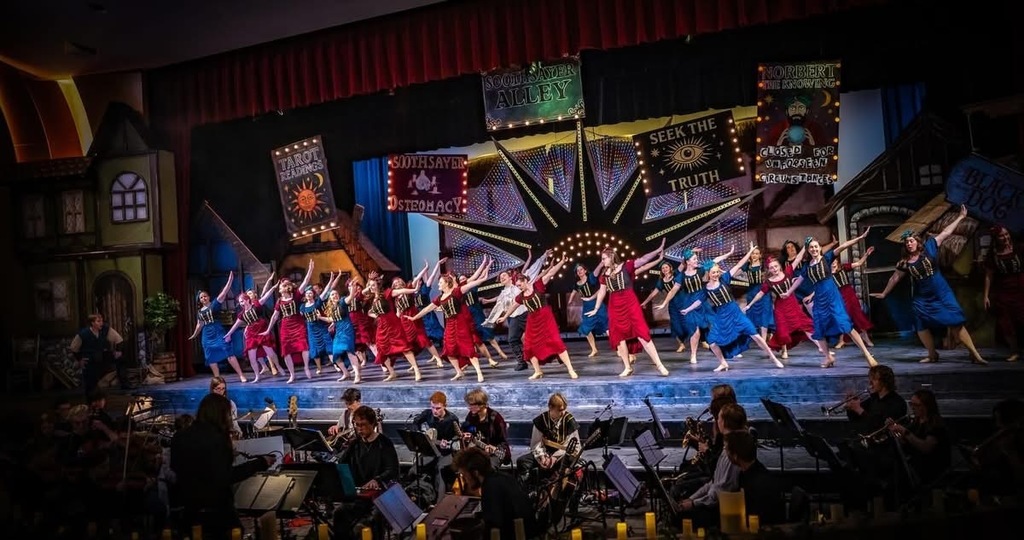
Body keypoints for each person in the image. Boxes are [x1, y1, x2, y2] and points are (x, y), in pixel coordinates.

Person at [871, 205, 987, 364]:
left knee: (954, 321)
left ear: (917, 241)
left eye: (911, 241)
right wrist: (884, 293)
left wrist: (960, 217)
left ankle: (975, 354)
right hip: (923, 297)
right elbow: (895, 278)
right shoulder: (905, 262)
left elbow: (946, 232)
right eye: (906, 243)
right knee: (920, 324)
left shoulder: (930, 247)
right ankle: (932, 354)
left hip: (941, 292)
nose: (909, 244)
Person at [171, 393, 274, 539]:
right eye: (227, 414)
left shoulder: (179, 437)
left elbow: (175, 468)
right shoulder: (217, 439)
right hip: (217, 511)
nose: (229, 418)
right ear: (220, 414)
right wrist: (260, 462)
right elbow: (225, 476)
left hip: (189, 508)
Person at [680, 243, 784, 372]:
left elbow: (739, 265)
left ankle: (774, 358)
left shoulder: (724, 278)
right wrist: (688, 309)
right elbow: (698, 302)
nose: (716, 274)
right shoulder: (705, 288)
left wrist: (749, 251)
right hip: (721, 315)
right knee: (712, 341)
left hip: (734, 312)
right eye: (713, 272)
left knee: (754, 335)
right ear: (708, 273)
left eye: (717, 272)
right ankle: (723, 363)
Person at [586, 239, 670, 377]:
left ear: (612, 257)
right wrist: (596, 308)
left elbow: (643, 260)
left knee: (642, 333)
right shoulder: (604, 275)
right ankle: (627, 367)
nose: (602, 261)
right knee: (619, 337)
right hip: (615, 306)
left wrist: (657, 250)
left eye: (604, 259)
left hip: (630, 303)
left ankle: (659, 365)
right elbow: (602, 292)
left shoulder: (627, 266)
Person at [794, 231, 878, 368]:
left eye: (816, 246)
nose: (814, 249)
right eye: (811, 247)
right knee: (819, 328)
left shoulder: (827, 258)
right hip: (819, 300)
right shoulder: (807, 267)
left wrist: (860, 238)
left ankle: (867, 354)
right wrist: (788, 292)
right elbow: (799, 280)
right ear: (808, 250)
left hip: (832, 297)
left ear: (820, 248)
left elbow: (843, 245)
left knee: (845, 324)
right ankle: (828, 358)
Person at [406, 256, 493, 382]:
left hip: (460, 322)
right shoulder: (440, 298)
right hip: (450, 325)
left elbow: (476, 281)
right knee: (450, 350)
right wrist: (414, 317)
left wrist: (486, 268)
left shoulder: (456, 292)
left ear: (447, 283)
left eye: (440, 282)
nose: (439, 284)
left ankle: (479, 371)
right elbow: (426, 309)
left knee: (467, 348)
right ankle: (459, 372)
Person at [496, 252, 579, 380]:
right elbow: (513, 306)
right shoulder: (521, 296)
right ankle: (537, 371)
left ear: (525, 281)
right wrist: (505, 316)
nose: (519, 287)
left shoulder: (538, 286)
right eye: (517, 286)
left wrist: (562, 262)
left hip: (545, 318)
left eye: (520, 285)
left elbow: (551, 273)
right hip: (533, 321)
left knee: (556, 343)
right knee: (529, 346)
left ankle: (570, 369)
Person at [675, 403, 748, 528]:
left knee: (679, 518)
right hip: (713, 500)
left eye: (718, 418)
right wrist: (692, 499)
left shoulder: (732, 452)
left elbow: (719, 494)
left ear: (724, 423)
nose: (716, 421)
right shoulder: (727, 447)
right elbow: (714, 482)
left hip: (722, 510)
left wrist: (693, 504)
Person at [333, 405, 400, 540]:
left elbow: (392, 470)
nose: (359, 429)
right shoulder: (355, 444)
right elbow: (341, 464)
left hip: (380, 496)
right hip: (360, 494)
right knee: (339, 513)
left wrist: (377, 479)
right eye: (357, 425)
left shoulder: (384, 443)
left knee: (373, 518)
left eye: (363, 425)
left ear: (373, 424)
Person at [744, 256, 827, 360]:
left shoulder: (787, 273)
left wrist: (805, 247)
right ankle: (784, 350)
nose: (774, 269)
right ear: (769, 270)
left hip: (792, 304)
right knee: (782, 330)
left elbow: (797, 260)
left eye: (776, 266)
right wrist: (749, 305)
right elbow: (760, 294)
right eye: (771, 268)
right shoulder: (769, 282)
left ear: (779, 266)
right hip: (780, 307)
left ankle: (820, 347)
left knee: (805, 325)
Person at [451, 447, 539, 540]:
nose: (465, 481)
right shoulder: (504, 477)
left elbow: (493, 528)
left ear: (475, 473)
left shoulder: (490, 487)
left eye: (465, 475)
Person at [483, 249, 547, 372]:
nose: (502, 278)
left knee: (533, 338)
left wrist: (543, 257)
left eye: (504, 276)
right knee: (512, 339)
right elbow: (498, 307)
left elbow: (533, 271)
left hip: (525, 315)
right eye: (500, 277)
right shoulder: (503, 293)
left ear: (510, 277)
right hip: (513, 318)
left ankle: (544, 355)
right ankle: (521, 361)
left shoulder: (518, 287)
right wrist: (491, 320)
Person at [654, 249, 717, 364]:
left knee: (715, 323)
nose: (697, 260)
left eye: (696, 259)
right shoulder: (681, 276)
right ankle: (693, 355)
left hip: (702, 301)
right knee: (695, 331)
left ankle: (727, 347)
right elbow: (672, 291)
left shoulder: (700, 270)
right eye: (694, 259)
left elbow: (713, 262)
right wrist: (664, 303)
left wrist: (728, 254)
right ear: (688, 262)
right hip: (690, 303)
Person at [262, 260, 316, 382]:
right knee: (286, 351)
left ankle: (306, 367)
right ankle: (292, 374)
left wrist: (310, 270)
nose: (280, 288)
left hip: (297, 323)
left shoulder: (296, 295)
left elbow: (305, 282)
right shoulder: (279, 301)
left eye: (281, 286)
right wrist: (268, 330)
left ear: (285, 288)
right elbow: (274, 316)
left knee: (303, 346)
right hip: (285, 326)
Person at [224, 273, 283, 383]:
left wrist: (273, 286)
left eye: (242, 301)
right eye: (239, 302)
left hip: (262, 327)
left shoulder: (256, 304)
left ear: (247, 299)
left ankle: (277, 367)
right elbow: (236, 325)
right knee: (252, 356)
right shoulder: (242, 314)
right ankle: (258, 374)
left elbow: (266, 294)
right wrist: (229, 334)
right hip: (252, 332)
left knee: (269, 352)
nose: (241, 304)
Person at [189, 271, 247, 382]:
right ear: (199, 300)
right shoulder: (200, 312)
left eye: (205, 296)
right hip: (207, 335)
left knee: (227, 350)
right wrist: (194, 335)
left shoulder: (215, 304)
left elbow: (224, 293)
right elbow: (199, 325)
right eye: (201, 297)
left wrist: (230, 281)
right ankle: (217, 377)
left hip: (217, 330)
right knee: (210, 355)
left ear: (209, 297)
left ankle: (241, 375)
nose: (203, 298)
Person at [888, 389, 951, 486]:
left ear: (926, 406)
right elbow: (907, 444)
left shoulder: (936, 424)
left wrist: (905, 432)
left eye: (916, 405)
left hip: (932, 472)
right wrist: (895, 432)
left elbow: (926, 447)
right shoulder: (916, 422)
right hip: (917, 468)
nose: (912, 408)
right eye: (911, 404)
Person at [366, 276, 422, 382]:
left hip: (393, 324)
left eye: (373, 285)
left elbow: (401, 290)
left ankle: (416, 370)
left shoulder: (387, 293)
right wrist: (376, 316)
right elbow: (370, 313)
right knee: (382, 350)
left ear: (378, 285)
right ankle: (392, 372)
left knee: (403, 346)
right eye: (370, 285)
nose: (371, 287)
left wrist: (414, 290)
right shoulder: (373, 299)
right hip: (381, 326)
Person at [725, 430, 786, 525]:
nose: (726, 454)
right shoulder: (750, 472)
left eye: (727, 450)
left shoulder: (758, 484)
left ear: (735, 456)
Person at [517, 393, 580, 485]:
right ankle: (527, 491)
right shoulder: (541, 420)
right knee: (522, 461)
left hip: (562, 455)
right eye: (560, 410)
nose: (563, 412)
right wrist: (542, 457)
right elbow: (536, 443)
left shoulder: (569, 421)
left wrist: (554, 458)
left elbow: (573, 447)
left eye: (564, 409)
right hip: (545, 453)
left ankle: (560, 491)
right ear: (550, 407)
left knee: (571, 462)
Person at [983, 225, 1023, 362]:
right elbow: (989, 275)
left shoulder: (1019, 248)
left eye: (1006, 234)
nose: (1005, 237)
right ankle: (1014, 351)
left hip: (1021, 286)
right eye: (1001, 236)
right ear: (996, 238)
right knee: (1006, 321)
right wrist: (986, 295)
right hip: (1003, 290)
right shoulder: (993, 254)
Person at [69, 313, 124, 395]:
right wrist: (80, 359)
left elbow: (118, 339)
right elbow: (74, 347)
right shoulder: (84, 333)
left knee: (120, 359)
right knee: (90, 382)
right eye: (98, 321)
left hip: (102, 355)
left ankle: (124, 383)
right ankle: (91, 396)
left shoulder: (105, 329)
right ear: (92, 323)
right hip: (90, 358)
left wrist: (118, 351)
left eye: (101, 321)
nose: (101, 323)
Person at [832, 246, 876, 348]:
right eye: (831, 261)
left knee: (857, 315)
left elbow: (859, 263)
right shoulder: (827, 274)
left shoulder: (843, 267)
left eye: (835, 260)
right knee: (843, 317)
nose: (833, 262)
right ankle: (842, 340)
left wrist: (866, 254)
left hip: (848, 293)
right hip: (838, 295)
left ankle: (866, 338)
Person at [846, 365, 908, 436]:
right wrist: (851, 408)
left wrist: (859, 409)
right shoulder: (874, 398)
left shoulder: (897, 402)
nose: (870, 383)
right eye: (870, 379)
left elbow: (880, 426)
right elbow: (855, 419)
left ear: (884, 381)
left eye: (874, 379)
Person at [301, 272, 343, 375]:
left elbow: (326, 290)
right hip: (311, 328)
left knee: (329, 345)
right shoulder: (302, 306)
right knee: (314, 348)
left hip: (321, 326)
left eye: (311, 293)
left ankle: (335, 365)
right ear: (305, 296)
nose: (309, 294)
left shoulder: (317, 302)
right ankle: (319, 368)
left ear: (313, 294)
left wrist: (331, 279)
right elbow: (302, 316)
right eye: (307, 294)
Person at [462, 388, 512, 467]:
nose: (469, 408)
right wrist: (467, 437)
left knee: (488, 467)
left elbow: (503, 442)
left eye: (472, 405)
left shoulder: (496, 419)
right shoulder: (471, 416)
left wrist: (495, 448)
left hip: (494, 452)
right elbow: (467, 431)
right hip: (478, 451)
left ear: (481, 405)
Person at [567, 261, 608, 357]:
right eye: (578, 271)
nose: (580, 271)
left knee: (606, 326)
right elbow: (574, 291)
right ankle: (594, 349)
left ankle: (618, 348)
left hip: (597, 303)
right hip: (587, 306)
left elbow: (597, 272)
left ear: (585, 271)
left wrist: (601, 263)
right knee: (586, 329)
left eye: (581, 269)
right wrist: (570, 301)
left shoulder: (591, 279)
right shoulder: (577, 284)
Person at [322, 284, 361, 383]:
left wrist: (352, 288)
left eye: (335, 294)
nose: (334, 295)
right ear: (330, 298)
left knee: (349, 351)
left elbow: (351, 296)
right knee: (336, 354)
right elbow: (331, 319)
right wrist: (320, 318)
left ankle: (357, 374)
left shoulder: (342, 302)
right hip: (338, 332)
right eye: (332, 295)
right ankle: (345, 373)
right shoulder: (332, 308)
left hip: (347, 329)